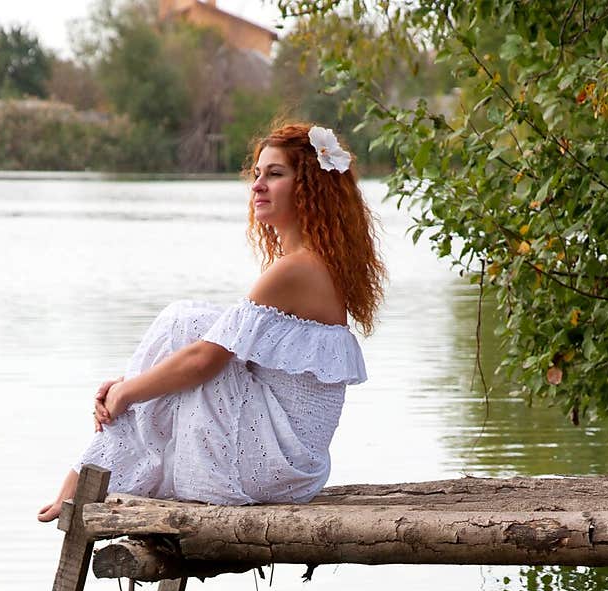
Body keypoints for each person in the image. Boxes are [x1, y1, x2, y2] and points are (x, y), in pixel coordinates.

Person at [37, 122, 386, 521]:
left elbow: (206, 361)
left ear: (309, 187)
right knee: (196, 328)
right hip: (294, 469)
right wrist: (131, 385)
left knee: (185, 322)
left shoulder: (295, 270)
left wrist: (126, 393)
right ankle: (94, 464)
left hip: (270, 468)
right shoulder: (315, 265)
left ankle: (88, 471)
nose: (257, 186)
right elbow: (232, 359)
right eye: (256, 174)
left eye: (275, 174)